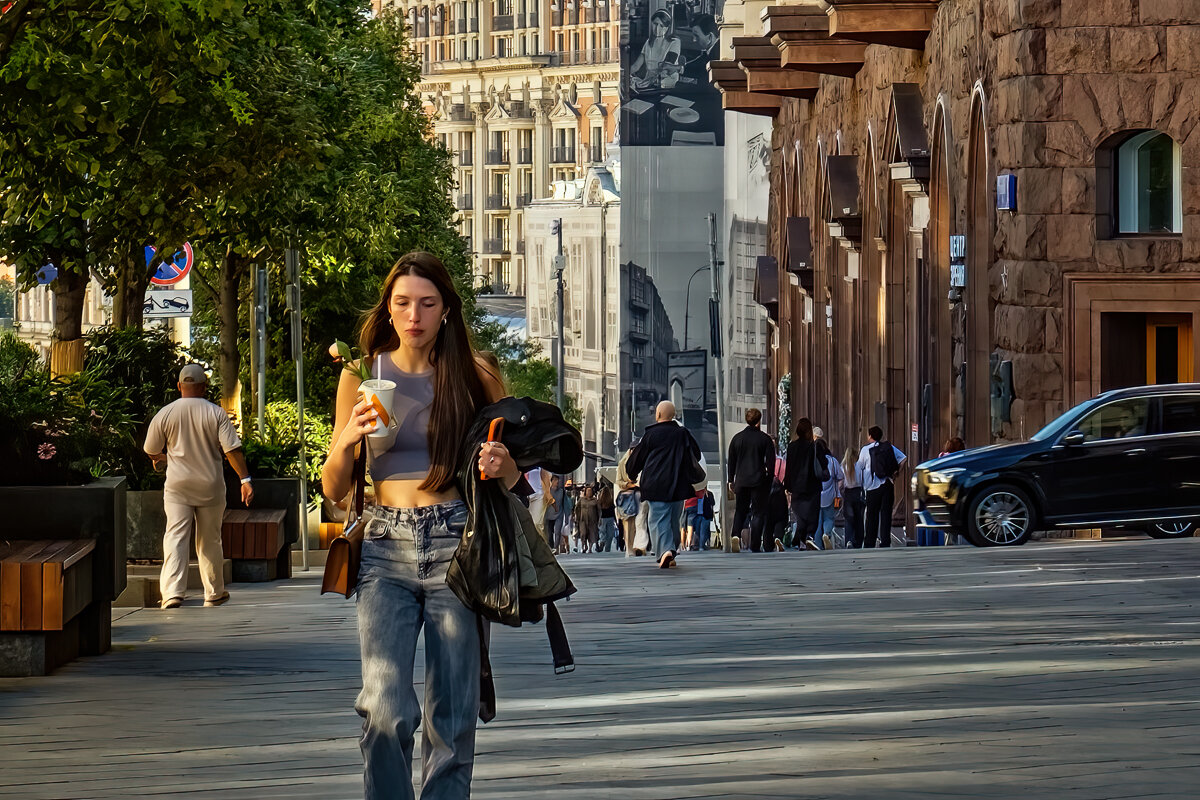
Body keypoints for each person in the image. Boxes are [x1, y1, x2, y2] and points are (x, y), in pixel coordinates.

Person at [321, 252, 517, 800]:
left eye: (427, 304)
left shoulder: (477, 375)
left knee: (452, 713)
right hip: (385, 545)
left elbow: (509, 475)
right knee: (384, 705)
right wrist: (347, 438)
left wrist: (503, 465)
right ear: (388, 308)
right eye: (403, 303)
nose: (414, 316)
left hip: (457, 542)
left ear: (447, 311)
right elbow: (333, 488)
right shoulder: (362, 374)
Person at [144, 364, 253, 610]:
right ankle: (214, 592)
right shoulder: (216, 413)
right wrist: (245, 480)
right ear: (204, 387)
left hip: (177, 487)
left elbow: (151, 448)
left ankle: (172, 593)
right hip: (210, 486)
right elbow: (232, 450)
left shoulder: (166, 413)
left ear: (180, 386)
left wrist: (164, 457)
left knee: (175, 536)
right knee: (210, 539)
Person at [626, 400, 702, 568]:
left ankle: (665, 551)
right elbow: (696, 453)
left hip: (656, 484)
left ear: (658, 415)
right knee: (675, 520)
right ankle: (672, 552)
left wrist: (631, 474)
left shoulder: (650, 435)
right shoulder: (683, 433)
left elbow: (636, 459)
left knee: (658, 519)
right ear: (673, 416)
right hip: (679, 484)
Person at [728, 408, 777, 552]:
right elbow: (771, 462)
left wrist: (731, 479)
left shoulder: (737, 438)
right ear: (759, 420)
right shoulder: (765, 439)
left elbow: (731, 460)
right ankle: (755, 545)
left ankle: (735, 535)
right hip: (759, 480)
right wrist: (769, 478)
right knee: (758, 512)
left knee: (740, 510)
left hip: (741, 480)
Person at [856, 425, 907, 548]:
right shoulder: (888, 447)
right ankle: (885, 541)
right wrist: (896, 473)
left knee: (872, 516)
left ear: (870, 436)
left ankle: (870, 542)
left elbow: (859, 467)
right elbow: (904, 459)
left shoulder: (865, 450)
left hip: (872, 486)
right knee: (886, 514)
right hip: (887, 484)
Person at [784, 417, 822, 551]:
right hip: (812, 485)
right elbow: (821, 464)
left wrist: (787, 485)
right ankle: (810, 536)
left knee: (800, 514)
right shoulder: (813, 447)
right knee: (812, 512)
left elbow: (789, 467)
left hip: (797, 485)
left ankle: (801, 540)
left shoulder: (792, 447)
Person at [630, 10, 682, 92]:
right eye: (655, 24)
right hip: (649, 83)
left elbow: (666, 67)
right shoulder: (649, 42)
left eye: (661, 26)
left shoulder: (674, 42)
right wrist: (624, 75)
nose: (657, 28)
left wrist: (650, 81)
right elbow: (636, 66)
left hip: (666, 83)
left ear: (668, 27)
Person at [841, 446, 866, 549]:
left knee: (849, 519)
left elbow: (841, 483)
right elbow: (863, 480)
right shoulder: (859, 466)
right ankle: (858, 542)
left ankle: (849, 540)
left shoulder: (843, 467)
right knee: (859, 519)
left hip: (848, 493)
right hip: (858, 492)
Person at [542, 473, 564, 550]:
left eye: (558, 480)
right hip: (548, 515)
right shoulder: (547, 491)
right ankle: (551, 547)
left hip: (559, 514)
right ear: (551, 481)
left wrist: (568, 516)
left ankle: (556, 547)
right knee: (549, 533)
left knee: (557, 532)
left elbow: (565, 504)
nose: (557, 481)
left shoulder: (562, 491)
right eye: (555, 480)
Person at [574, 485, 600, 553]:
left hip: (592, 520)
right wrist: (577, 516)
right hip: (583, 520)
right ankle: (584, 546)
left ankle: (590, 548)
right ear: (585, 492)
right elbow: (577, 508)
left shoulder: (595, 500)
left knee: (591, 534)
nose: (589, 492)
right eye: (588, 491)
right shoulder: (581, 499)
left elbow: (599, 510)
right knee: (583, 533)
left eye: (590, 491)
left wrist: (599, 519)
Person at [597, 484, 617, 552]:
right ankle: (607, 548)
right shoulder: (610, 501)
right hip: (610, 518)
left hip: (602, 518)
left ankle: (602, 541)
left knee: (602, 531)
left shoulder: (600, 501)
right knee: (610, 533)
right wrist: (616, 520)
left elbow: (598, 511)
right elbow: (613, 511)